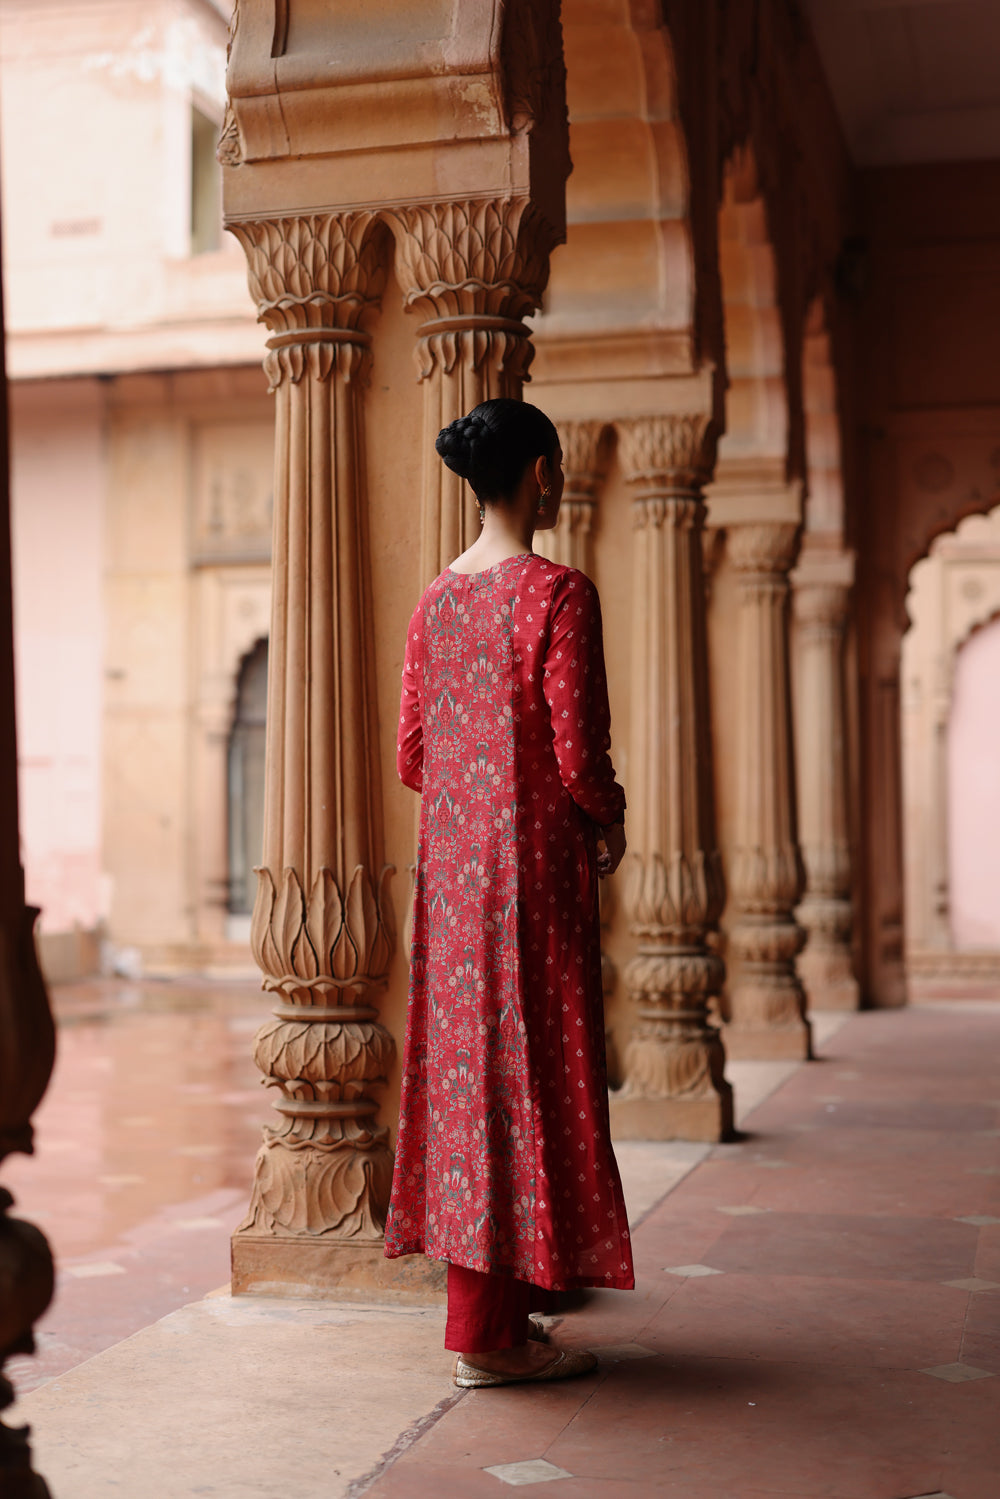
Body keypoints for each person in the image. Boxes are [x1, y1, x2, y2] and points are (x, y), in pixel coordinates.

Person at [384, 397, 633, 1388]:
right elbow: (580, 752)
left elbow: (411, 753)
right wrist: (604, 817)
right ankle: (488, 1337)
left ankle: (495, 1315)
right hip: (528, 873)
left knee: (466, 1077)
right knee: (532, 1070)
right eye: (559, 465)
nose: (563, 479)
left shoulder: (433, 601)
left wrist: (471, 779)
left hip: (450, 879)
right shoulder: (559, 594)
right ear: (538, 471)